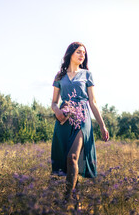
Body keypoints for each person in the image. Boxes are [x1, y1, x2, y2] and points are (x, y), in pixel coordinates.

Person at [51, 42, 109, 200]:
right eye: (78, 52)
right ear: (70, 54)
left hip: (82, 117)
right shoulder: (59, 76)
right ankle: (75, 198)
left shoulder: (87, 75)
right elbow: (54, 102)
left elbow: (93, 102)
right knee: (67, 161)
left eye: (84, 53)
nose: (82, 55)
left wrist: (102, 126)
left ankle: (66, 199)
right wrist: (58, 112)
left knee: (73, 157)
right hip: (64, 119)